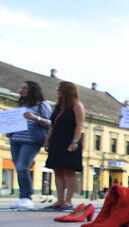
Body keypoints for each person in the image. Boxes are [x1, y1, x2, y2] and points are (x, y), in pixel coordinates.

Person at [5, 81, 51, 209]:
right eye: (21, 87)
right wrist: (4, 126)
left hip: (31, 141)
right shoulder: (22, 106)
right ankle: (22, 197)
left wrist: (35, 118)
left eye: (25, 88)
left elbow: (51, 122)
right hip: (15, 140)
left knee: (22, 167)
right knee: (19, 168)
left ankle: (27, 197)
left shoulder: (43, 105)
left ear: (33, 90)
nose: (21, 90)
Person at [44, 81, 84, 209]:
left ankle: (68, 200)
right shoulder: (58, 107)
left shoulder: (77, 106)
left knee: (69, 171)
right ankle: (60, 199)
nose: (58, 91)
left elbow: (79, 124)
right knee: (58, 170)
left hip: (70, 141)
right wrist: (47, 140)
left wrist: (75, 141)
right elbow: (52, 125)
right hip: (57, 141)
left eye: (60, 89)